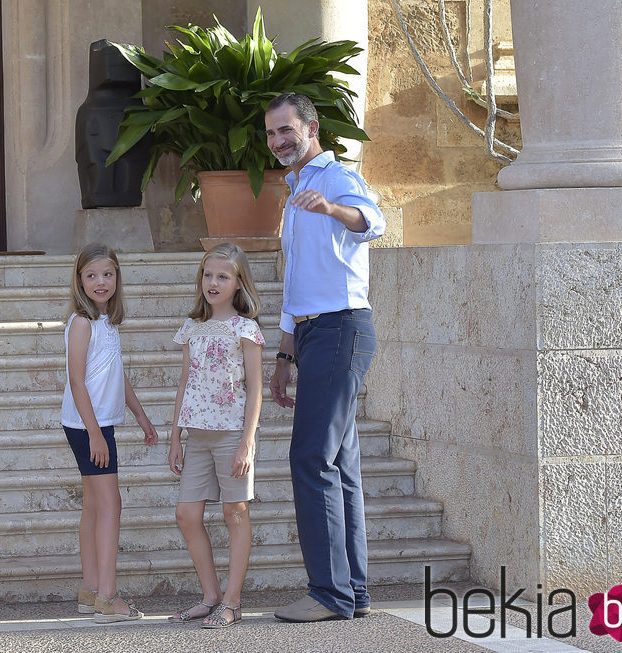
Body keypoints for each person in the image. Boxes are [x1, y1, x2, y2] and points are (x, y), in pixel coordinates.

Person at [263, 93, 386, 622]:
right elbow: (297, 282)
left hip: (342, 329)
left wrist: (333, 209)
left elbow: (373, 221)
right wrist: (284, 353)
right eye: (271, 134)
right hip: (314, 335)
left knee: (311, 457)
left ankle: (328, 594)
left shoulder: (333, 178)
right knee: (339, 464)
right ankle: (350, 591)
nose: (278, 141)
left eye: (286, 130)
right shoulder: (294, 191)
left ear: (311, 128)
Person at [166, 243, 265, 629]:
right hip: (197, 435)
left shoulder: (247, 329)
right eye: (208, 275)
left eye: (223, 276)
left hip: (230, 435)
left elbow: (255, 388)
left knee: (234, 512)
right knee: (187, 514)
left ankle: (232, 602)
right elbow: (185, 383)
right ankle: (210, 596)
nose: (213, 282)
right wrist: (175, 436)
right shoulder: (192, 327)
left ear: (238, 283)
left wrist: (248, 440)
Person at [62, 242, 158, 623]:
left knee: (94, 505)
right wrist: (95, 434)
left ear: (117, 278)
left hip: (96, 423)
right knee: (110, 506)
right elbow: (76, 380)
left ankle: (90, 589)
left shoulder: (107, 322)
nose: (100, 282)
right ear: (79, 280)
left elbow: (118, 378)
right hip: (90, 426)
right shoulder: (82, 322)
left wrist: (142, 417)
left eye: (107, 274)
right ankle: (107, 596)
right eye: (91, 275)